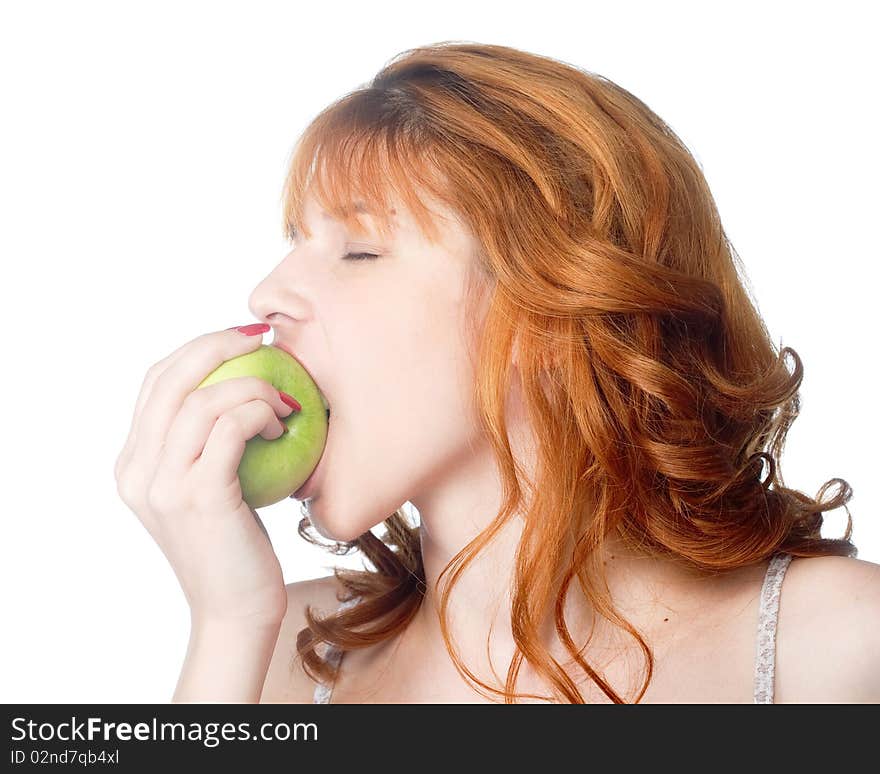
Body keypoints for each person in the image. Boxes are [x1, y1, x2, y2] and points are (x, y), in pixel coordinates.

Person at [114, 41, 880, 704]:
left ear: (551, 312)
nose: (268, 294)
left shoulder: (835, 649)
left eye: (359, 250)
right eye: (295, 241)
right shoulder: (282, 656)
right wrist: (229, 625)